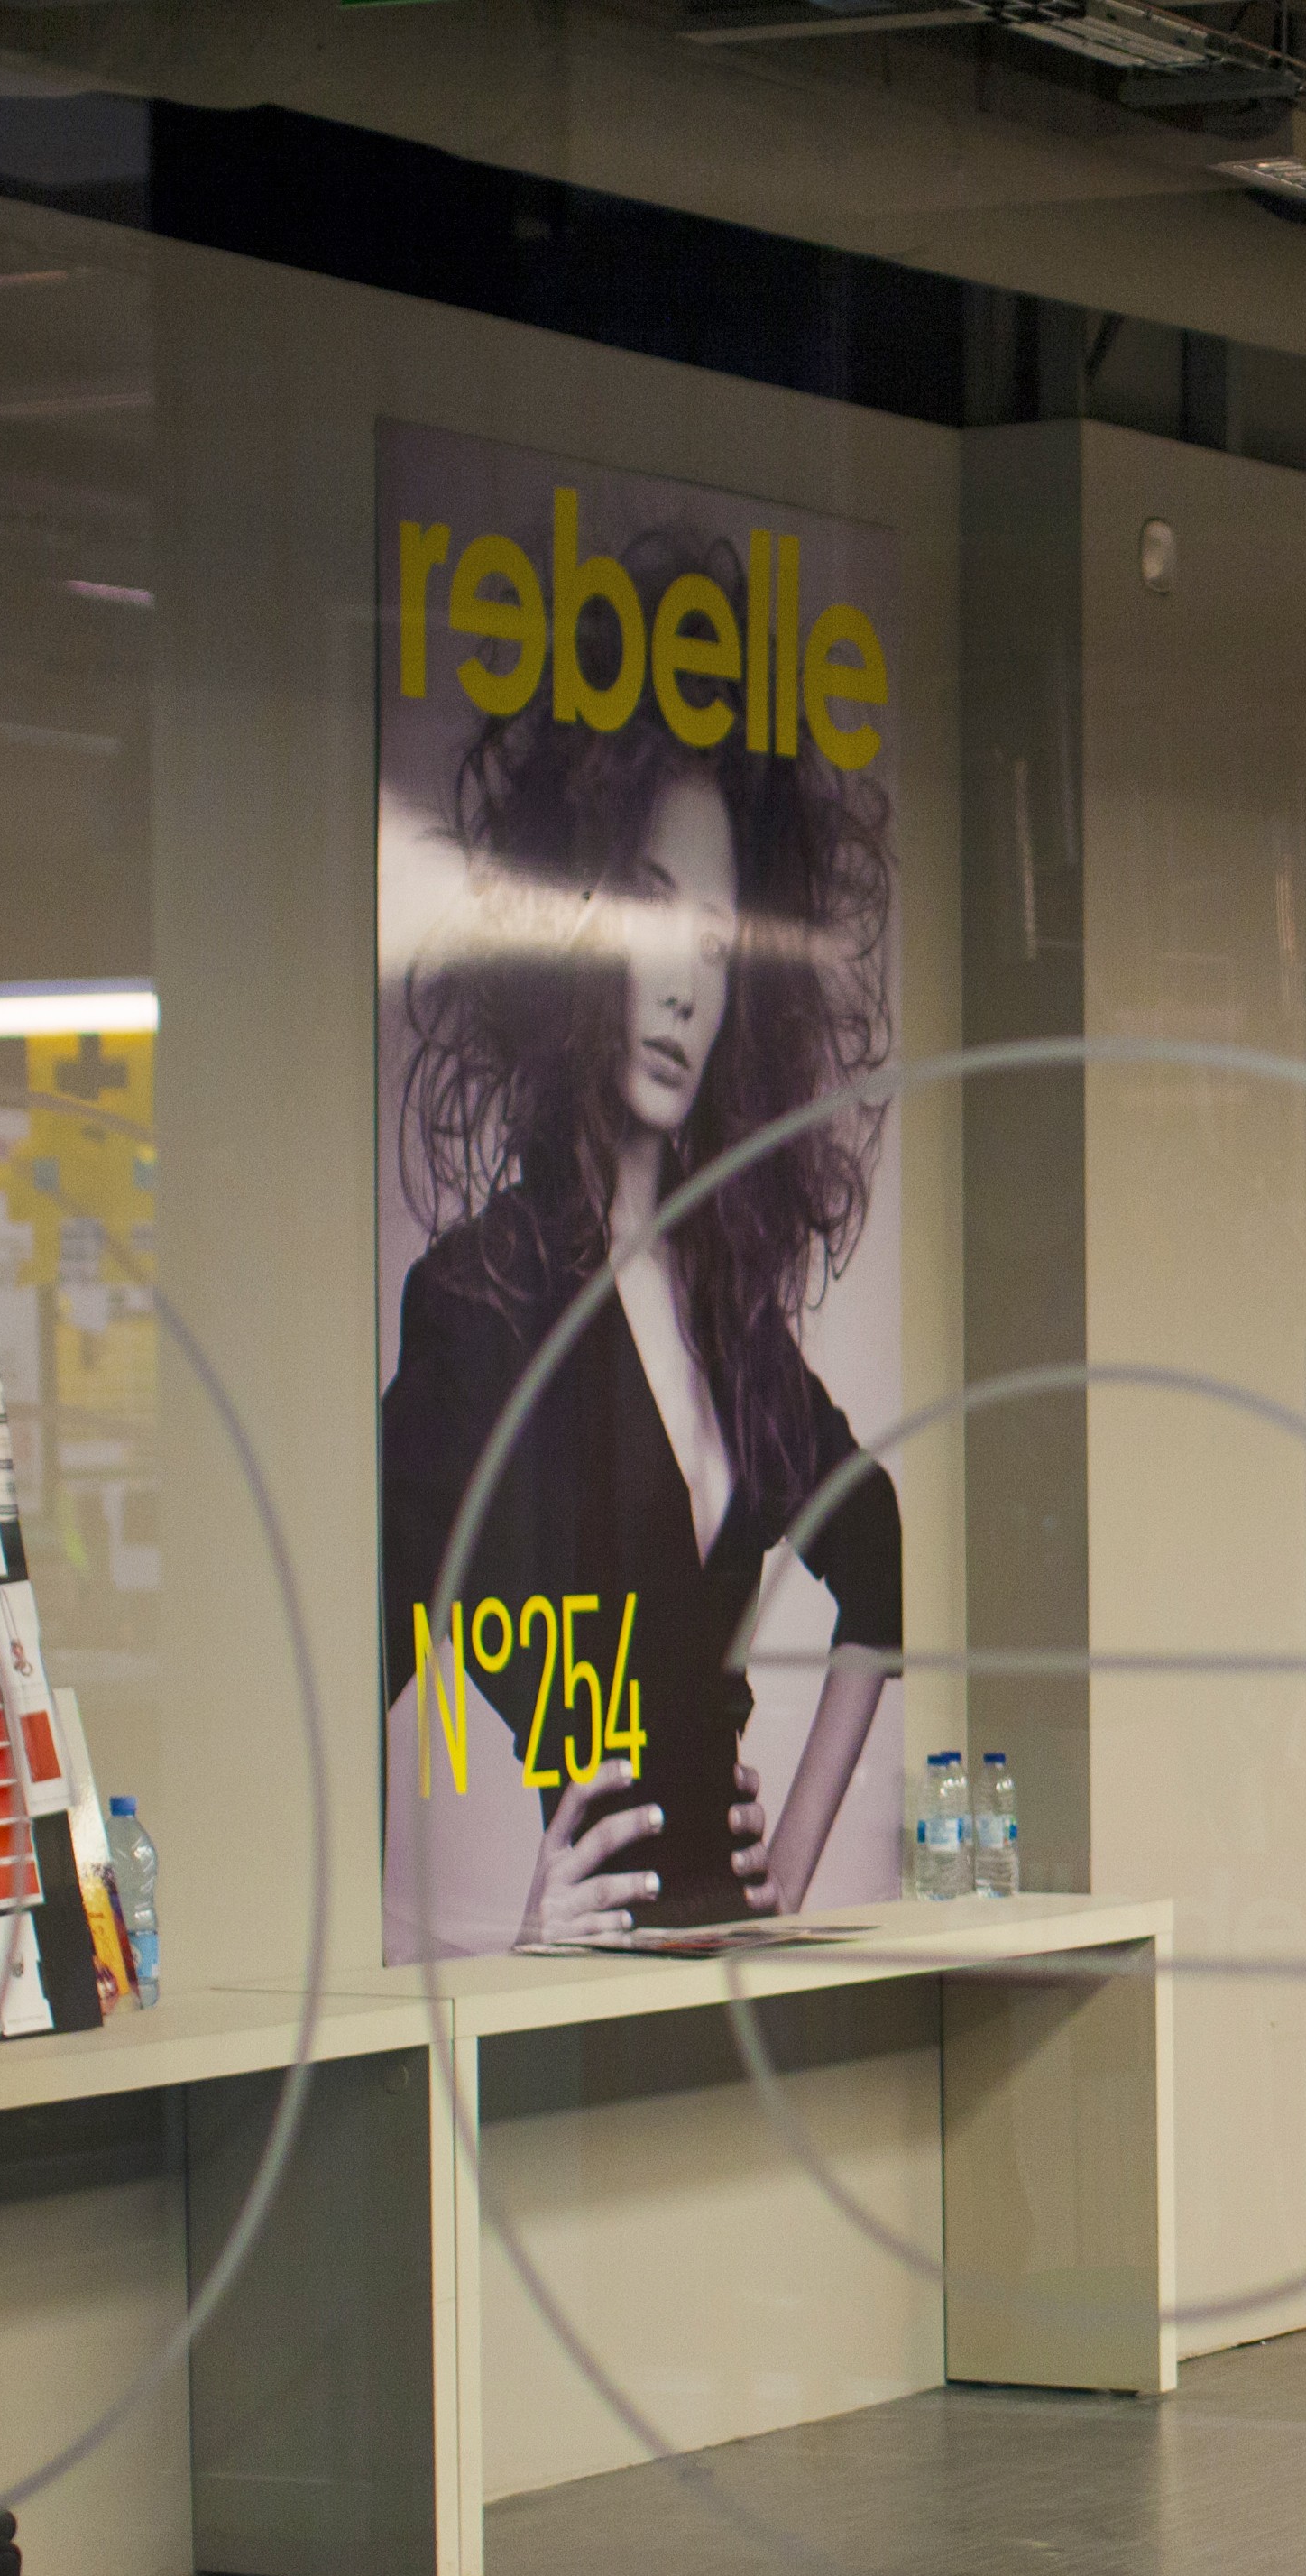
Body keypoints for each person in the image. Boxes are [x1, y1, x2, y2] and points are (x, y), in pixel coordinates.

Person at [382, 525, 899, 1950]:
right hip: (595, 1990)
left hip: (746, 1964)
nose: (682, 985)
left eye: (719, 946)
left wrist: (790, 1861)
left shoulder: (726, 1313)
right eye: (649, 914)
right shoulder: (478, 1306)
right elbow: (346, 1658)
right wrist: (521, 1935)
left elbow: (877, 1547)